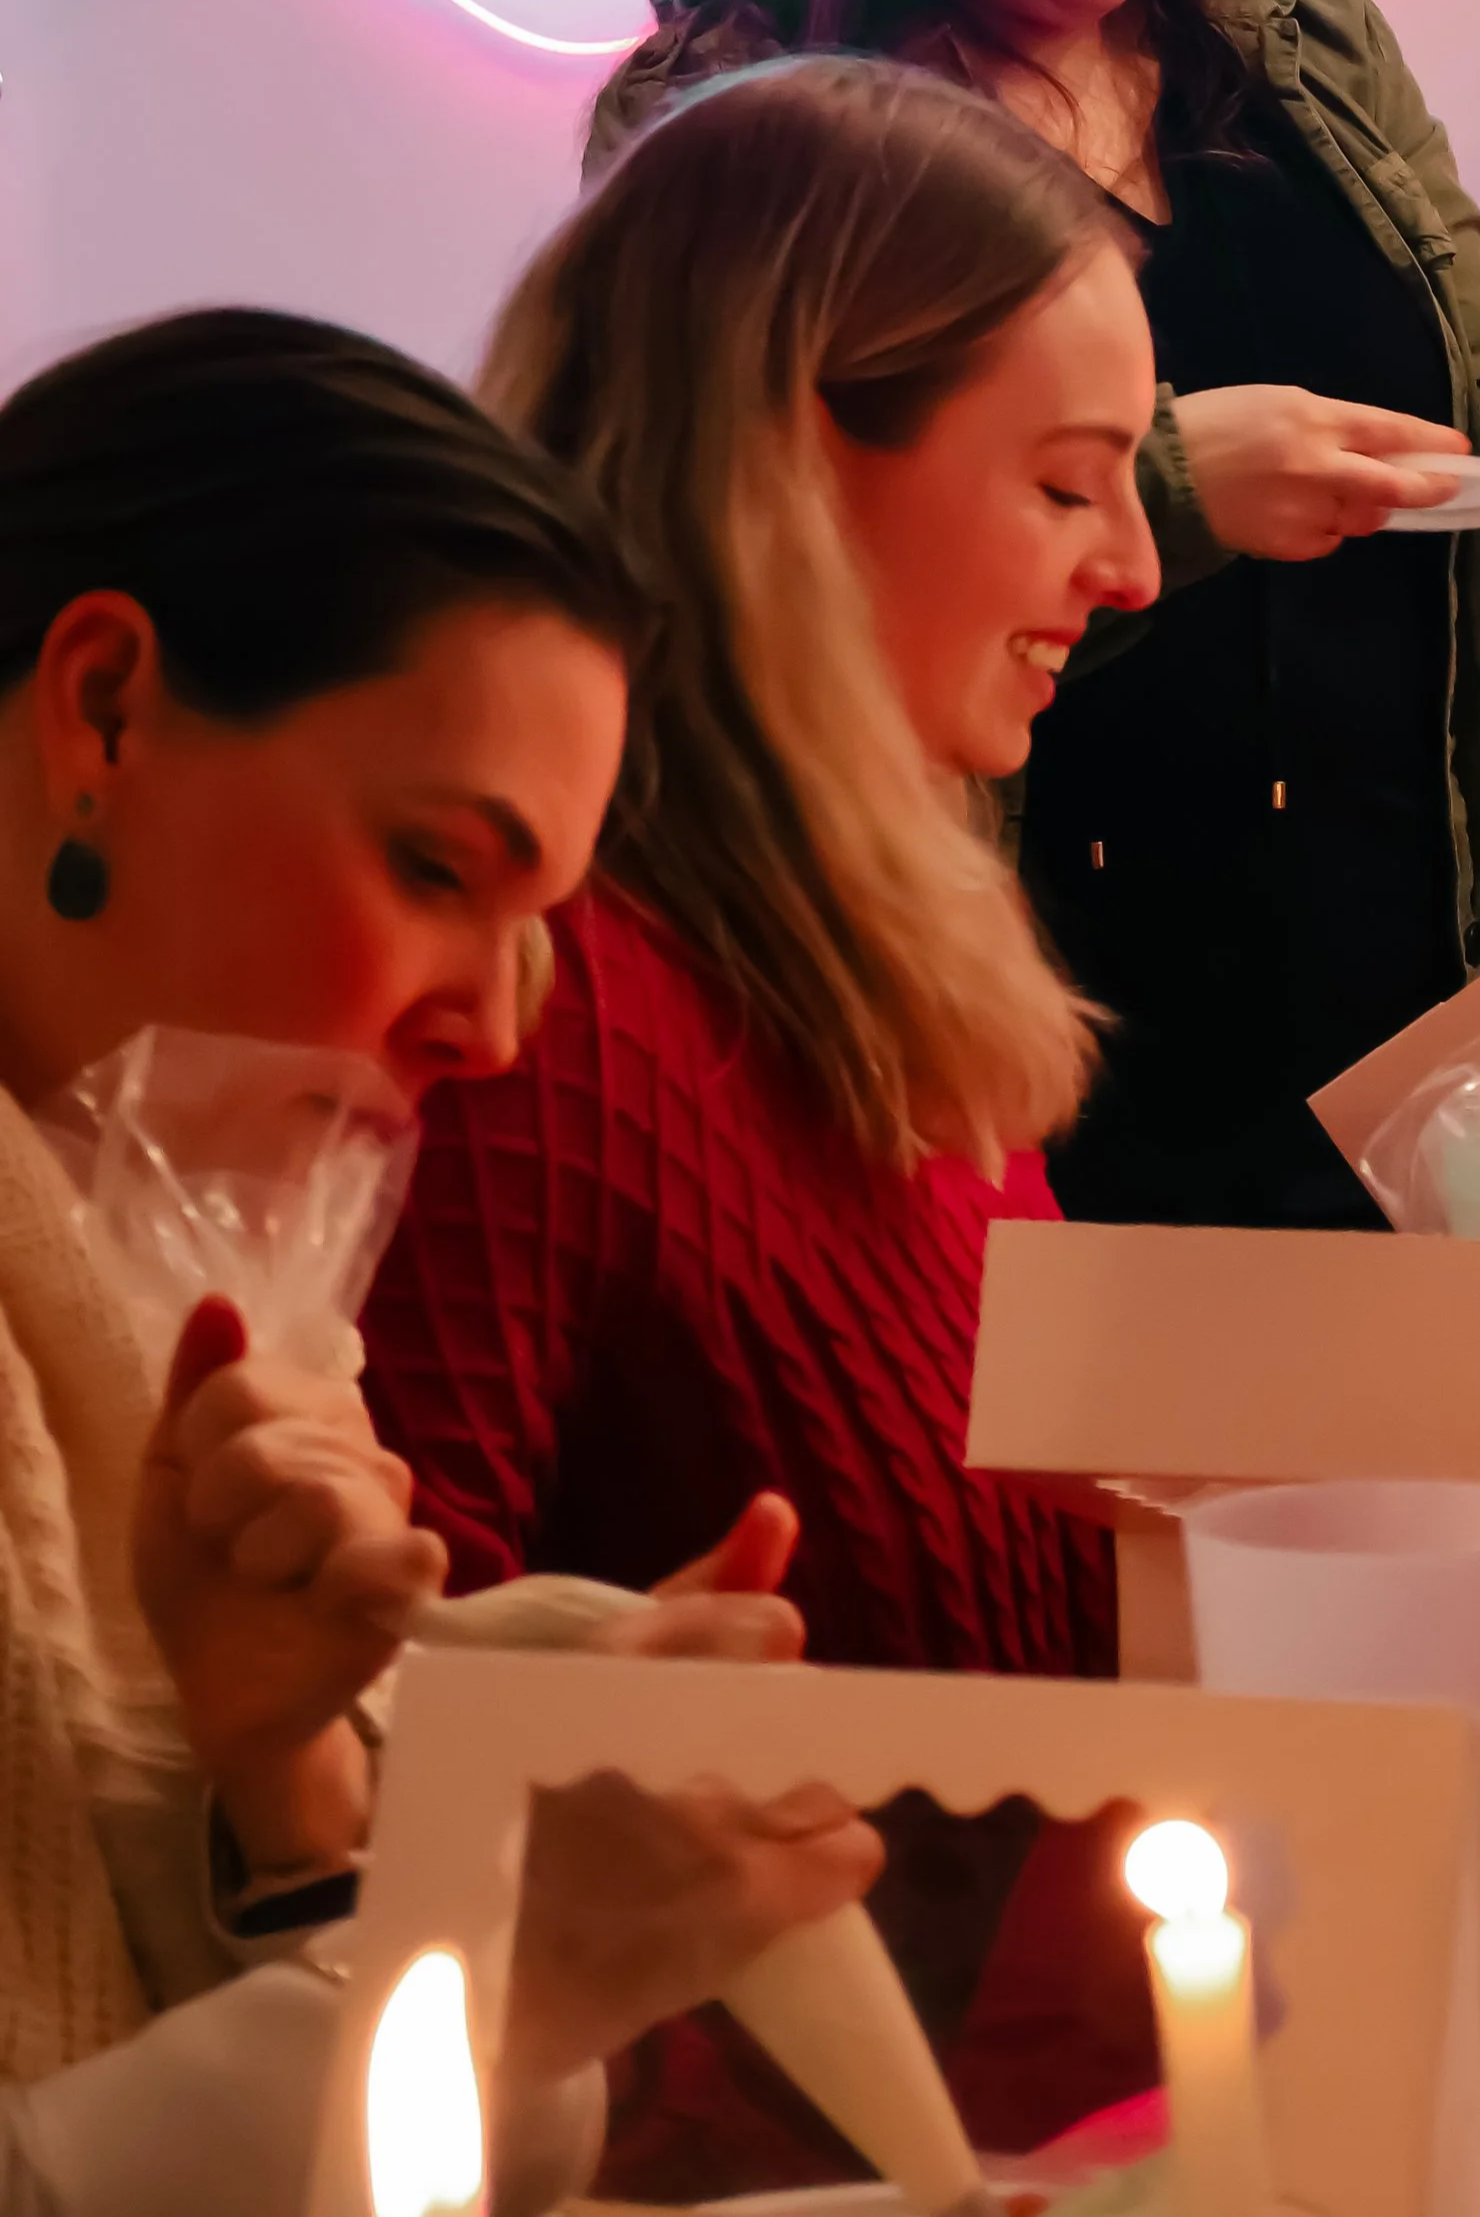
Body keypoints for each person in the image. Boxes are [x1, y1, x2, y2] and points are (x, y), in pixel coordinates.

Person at [356, 58, 1165, 2199]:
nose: (1139, 568)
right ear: (799, 459)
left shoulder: (900, 948)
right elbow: (369, 1822)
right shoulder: (554, 1014)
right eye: (1070, 483)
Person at [0, 308, 885, 2217]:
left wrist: (292, 1781)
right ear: (104, 715)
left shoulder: (204, 1284)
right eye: (432, 868)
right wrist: (492, 1964)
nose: (493, 1027)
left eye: (537, 920)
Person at [603, 0, 1480, 1228]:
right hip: (1010, 1031)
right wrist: (1163, 486)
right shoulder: (740, 110)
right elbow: (766, 599)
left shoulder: (1303, 38)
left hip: (1401, 1032)